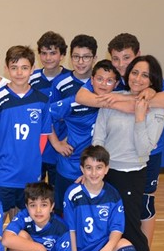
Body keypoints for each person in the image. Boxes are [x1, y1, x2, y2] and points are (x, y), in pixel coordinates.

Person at [75, 33, 164, 249]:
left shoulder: (146, 76)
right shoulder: (112, 77)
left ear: (138, 54)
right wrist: (121, 101)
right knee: (113, 207)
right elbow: (82, 97)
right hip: (114, 156)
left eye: (126, 58)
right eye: (115, 58)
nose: (121, 65)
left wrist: (124, 99)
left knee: (144, 206)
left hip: (147, 153)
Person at [92, 55, 164, 251]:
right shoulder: (114, 98)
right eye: (134, 72)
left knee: (131, 228)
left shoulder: (157, 108)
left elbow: (145, 148)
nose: (138, 78)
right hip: (108, 173)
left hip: (132, 173)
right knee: (111, 227)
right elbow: (99, 136)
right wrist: (96, 168)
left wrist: (139, 116)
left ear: (153, 79)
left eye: (144, 75)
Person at [63, 145, 138, 251]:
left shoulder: (112, 194)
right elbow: (70, 229)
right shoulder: (73, 193)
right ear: (82, 169)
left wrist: (109, 246)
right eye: (89, 168)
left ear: (106, 169)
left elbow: (117, 228)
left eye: (99, 168)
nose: (94, 173)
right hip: (82, 249)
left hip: (104, 243)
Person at [0, 46, 51, 218]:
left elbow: (43, 136)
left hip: (30, 175)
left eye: (24, 68)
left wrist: (32, 159)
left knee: (23, 225)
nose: (19, 73)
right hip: (4, 175)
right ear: (6, 68)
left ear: (32, 69)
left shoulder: (42, 100)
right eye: (14, 67)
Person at [49, 60, 118, 213]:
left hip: (100, 170)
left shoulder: (118, 105)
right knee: (63, 213)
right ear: (91, 80)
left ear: (116, 84)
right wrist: (56, 143)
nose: (103, 84)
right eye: (99, 79)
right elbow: (46, 115)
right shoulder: (75, 101)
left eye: (109, 81)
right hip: (70, 168)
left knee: (93, 213)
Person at [30, 31, 71, 188]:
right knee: (34, 194)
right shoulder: (30, 78)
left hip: (62, 149)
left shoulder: (71, 79)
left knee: (57, 195)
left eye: (53, 53)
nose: (48, 58)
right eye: (44, 53)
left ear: (62, 55)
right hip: (36, 149)